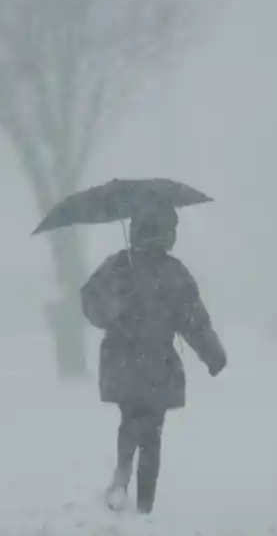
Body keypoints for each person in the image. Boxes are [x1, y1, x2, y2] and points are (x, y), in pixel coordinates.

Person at [80, 203, 226, 514]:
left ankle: (122, 474)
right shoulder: (174, 273)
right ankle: (145, 502)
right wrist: (213, 354)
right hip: (158, 362)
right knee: (153, 432)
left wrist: (113, 314)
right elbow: (194, 321)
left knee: (130, 418)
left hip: (121, 359)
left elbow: (90, 301)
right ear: (166, 234)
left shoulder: (118, 265)